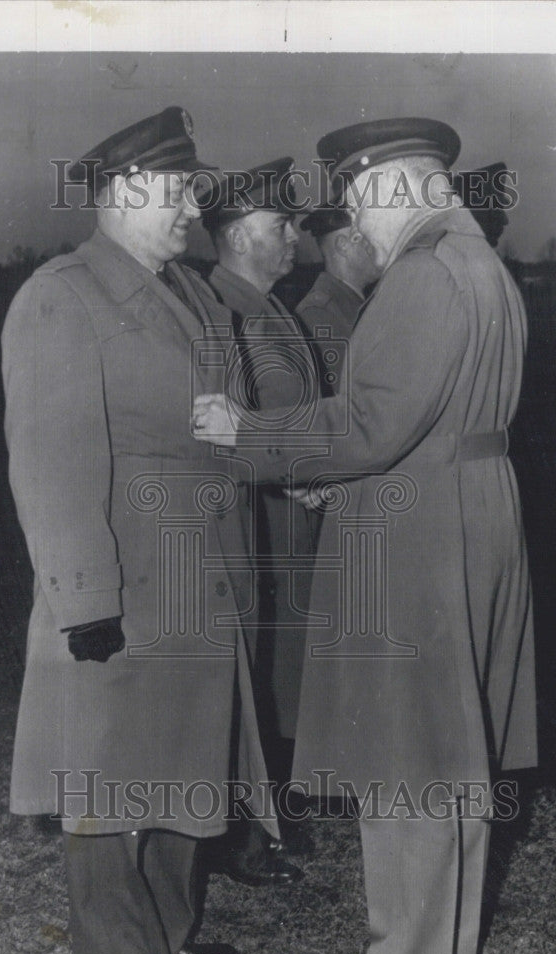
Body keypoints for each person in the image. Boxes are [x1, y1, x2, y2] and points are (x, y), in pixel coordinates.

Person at [193, 116, 537, 954]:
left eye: (358, 202)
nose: (356, 225)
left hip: (418, 530)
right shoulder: (484, 265)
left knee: (406, 755)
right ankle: (447, 952)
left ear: (397, 189)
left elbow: (369, 425)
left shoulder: (423, 276)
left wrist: (252, 434)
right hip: (473, 512)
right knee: (456, 754)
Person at [1, 106, 277, 954]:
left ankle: (167, 930)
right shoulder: (61, 294)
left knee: (189, 760)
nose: (191, 213)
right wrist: (84, 598)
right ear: (119, 193)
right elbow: (51, 458)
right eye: (174, 194)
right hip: (128, 568)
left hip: (201, 568)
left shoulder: (193, 292)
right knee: (111, 763)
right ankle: (114, 946)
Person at [199, 157, 320, 885]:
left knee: (274, 668)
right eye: (282, 223)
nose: (295, 235)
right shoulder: (224, 309)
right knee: (248, 671)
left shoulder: (271, 306)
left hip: (288, 510)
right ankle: (238, 832)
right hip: (257, 515)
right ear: (241, 234)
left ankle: (263, 814)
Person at [295, 206, 382, 388]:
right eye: (367, 240)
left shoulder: (358, 302)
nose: (377, 247)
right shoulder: (318, 314)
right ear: (343, 245)